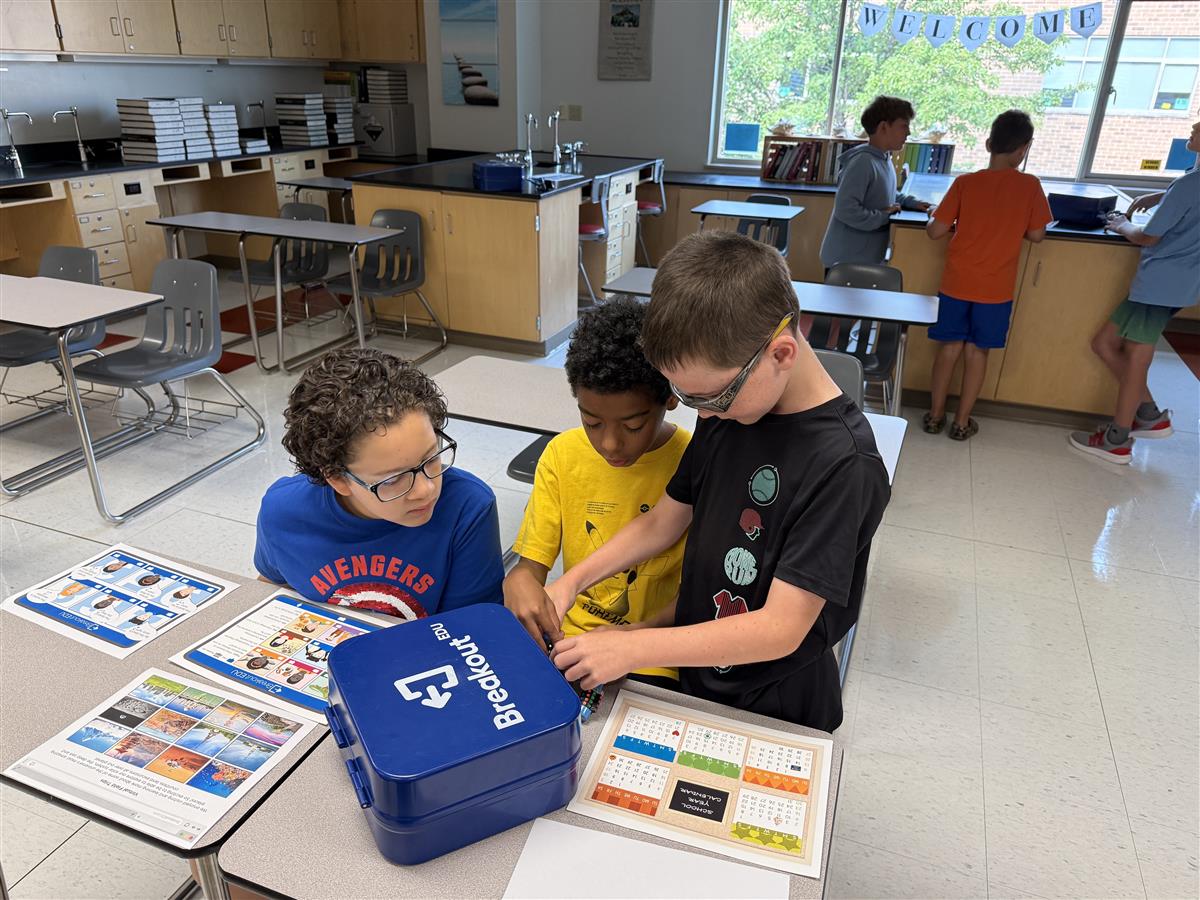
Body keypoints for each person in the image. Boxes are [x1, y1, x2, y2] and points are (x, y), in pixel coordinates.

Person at [546, 232, 891, 732]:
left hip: (776, 699)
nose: (703, 414)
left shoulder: (845, 465)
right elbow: (664, 522)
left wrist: (633, 647)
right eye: (687, 396)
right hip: (697, 666)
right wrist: (571, 582)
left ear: (781, 354)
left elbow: (781, 628)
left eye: (711, 396)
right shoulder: (729, 411)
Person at [504, 296, 691, 690]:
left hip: (655, 654)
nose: (609, 444)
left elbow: (697, 598)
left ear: (671, 396)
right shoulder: (563, 455)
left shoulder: (693, 461)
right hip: (569, 641)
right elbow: (529, 567)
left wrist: (632, 638)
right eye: (591, 422)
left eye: (633, 426)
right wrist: (518, 583)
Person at [254, 348, 504, 618]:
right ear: (337, 478)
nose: (426, 489)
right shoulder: (283, 512)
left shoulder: (467, 507)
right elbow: (271, 586)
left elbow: (472, 626)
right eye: (393, 479)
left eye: (431, 458)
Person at [1069, 120, 1200, 463]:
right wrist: (1163, 195)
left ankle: (1117, 439)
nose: (1193, 128)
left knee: (1137, 360)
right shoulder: (1188, 181)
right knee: (1104, 343)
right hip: (1180, 285)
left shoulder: (1189, 184)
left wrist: (1121, 225)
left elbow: (1148, 236)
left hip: (1159, 285)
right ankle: (1148, 414)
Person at [923, 109, 1051, 440]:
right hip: (995, 291)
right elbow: (1037, 234)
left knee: (949, 348)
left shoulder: (965, 183)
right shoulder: (1030, 186)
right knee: (977, 352)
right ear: (1023, 149)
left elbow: (936, 231)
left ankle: (935, 416)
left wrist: (934, 214)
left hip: (956, 284)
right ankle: (961, 422)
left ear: (988, 143)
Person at [819, 95, 930, 272]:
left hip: (865, 258)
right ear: (884, 127)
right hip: (846, 261)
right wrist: (883, 216)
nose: (908, 133)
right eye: (904, 126)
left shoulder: (883, 159)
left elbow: (884, 194)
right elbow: (846, 209)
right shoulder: (863, 162)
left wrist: (911, 202)